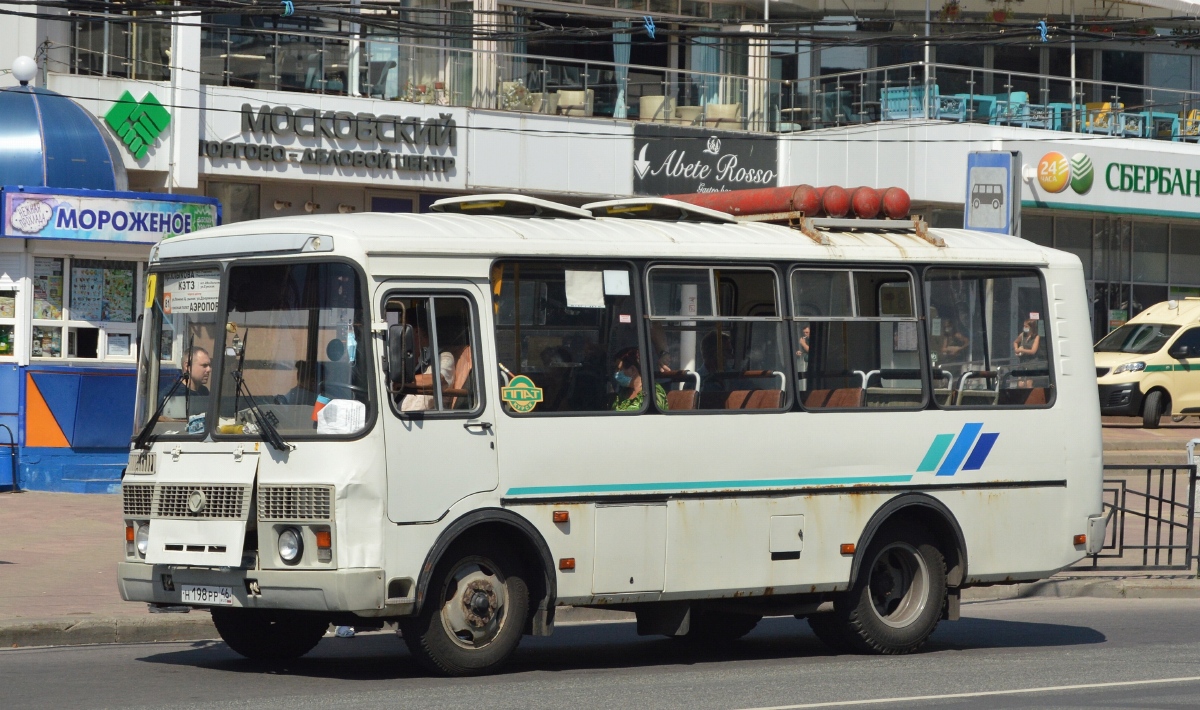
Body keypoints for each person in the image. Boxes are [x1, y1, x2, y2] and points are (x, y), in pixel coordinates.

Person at [400, 325, 455, 412]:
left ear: (417, 331)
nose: (402, 336)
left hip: (425, 417)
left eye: (404, 331)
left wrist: (400, 381)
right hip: (402, 415)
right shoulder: (416, 359)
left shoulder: (444, 357)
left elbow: (437, 379)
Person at [612, 347, 668, 412]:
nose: (616, 373)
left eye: (619, 369)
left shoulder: (653, 391)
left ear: (632, 370)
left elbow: (654, 417)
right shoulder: (623, 392)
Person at [1013, 319, 1043, 387]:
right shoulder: (1023, 335)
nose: (1024, 327)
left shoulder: (1036, 337)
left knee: (1028, 384)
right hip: (1023, 362)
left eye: (1026, 326)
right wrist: (1016, 349)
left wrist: (1022, 350)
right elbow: (1015, 342)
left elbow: (1033, 351)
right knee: (1020, 384)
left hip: (1032, 363)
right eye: (1024, 326)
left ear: (1031, 327)